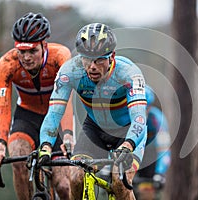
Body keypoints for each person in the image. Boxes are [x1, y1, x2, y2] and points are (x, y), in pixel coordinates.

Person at [38, 22, 147, 200]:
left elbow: (139, 119)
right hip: (95, 130)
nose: (92, 66)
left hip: (127, 132)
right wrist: (45, 146)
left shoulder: (128, 74)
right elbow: (54, 113)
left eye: (99, 60)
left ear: (112, 56)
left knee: (120, 182)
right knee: (75, 177)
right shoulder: (70, 72)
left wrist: (128, 145)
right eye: (87, 59)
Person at [0, 12, 73, 199]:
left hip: (56, 117)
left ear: (44, 45)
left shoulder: (60, 57)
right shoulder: (7, 64)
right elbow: (3, 107)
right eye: (21, 51)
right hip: (26, 116)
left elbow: (67, 100)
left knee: (64, 186)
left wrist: (67, 135)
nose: (26, 58)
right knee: (18, 161)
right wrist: (0, 143)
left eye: (32, 51)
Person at [134, 85, 171, 200]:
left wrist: (160, 173)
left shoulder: (157, 119)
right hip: (130, 157)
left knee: (147, 194)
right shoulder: (124, 117)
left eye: (146, 108)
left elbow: (164, 149)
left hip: (149, 159)